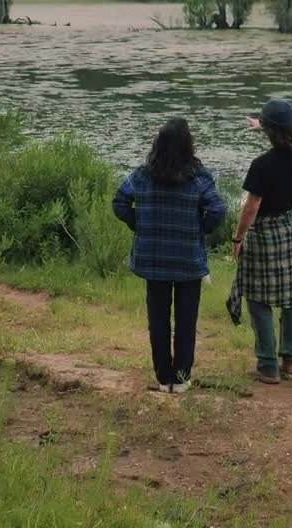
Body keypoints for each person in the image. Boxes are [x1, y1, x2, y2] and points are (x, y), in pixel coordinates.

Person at [113, 118, 226, 394]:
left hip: (153, 260)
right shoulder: (199, 177)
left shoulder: (143, 175)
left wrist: (138, 223)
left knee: (158, 320)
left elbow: (119, 202)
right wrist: (199, 229)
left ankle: (164, 378)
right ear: (189, 145)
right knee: (187, 321)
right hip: (188, 259)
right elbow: (218, 211)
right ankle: (183, 379)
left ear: (158, 144)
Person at [229, 98, 292, 384]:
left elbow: (251, 206)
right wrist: (263, 126)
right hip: (289, 229)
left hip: (263, 232)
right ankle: (290, 360)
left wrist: (237, 238)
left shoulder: (260, 165)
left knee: (258, 297)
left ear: (268, 131)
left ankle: (267, 365)